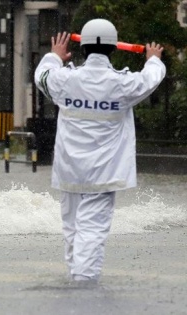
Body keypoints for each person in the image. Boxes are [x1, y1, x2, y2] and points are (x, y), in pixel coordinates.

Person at [34, 19, 166, 284]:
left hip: (70, 170)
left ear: (82, 48)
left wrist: (54, 56)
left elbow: (42, 76)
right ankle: (84, 286)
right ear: (114, 48)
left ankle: (75, 277)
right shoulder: (122, 85)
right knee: (92, 230)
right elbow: (151, 79)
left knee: (72, 229)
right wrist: (153, 58)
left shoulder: (64, 80)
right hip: (104, 172)